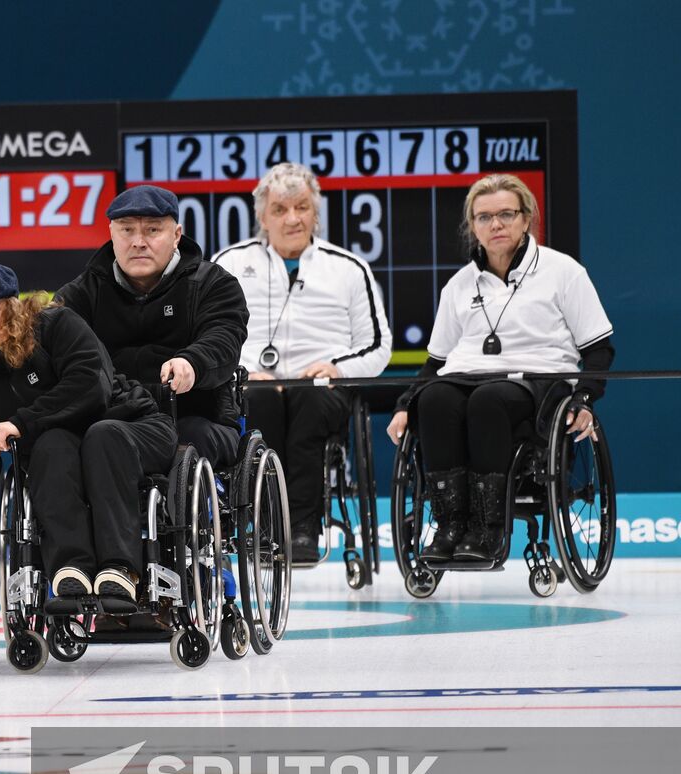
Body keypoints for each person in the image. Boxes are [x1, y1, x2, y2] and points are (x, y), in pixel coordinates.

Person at [386, 173, 614, 561]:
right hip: (465, 377)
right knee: (436, 398)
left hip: (535, 383)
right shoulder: (459, 285)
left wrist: (585, 398)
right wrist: (406, 404)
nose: (496, 225)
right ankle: (449, 525)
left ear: (527, 219)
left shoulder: (563, 272)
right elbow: (436, 362)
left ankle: (488, 529)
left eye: (506, 214)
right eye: (484, 217)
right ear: (472, 226)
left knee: (489, 399)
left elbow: (598, 350)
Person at [0, 263, 176, 607]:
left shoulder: (55, 325)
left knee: (101, 436)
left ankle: (121, 569)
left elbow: (91, 384)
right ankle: (70, 568)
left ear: (13, 308)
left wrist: (21, 422)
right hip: (61, 457)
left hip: (132, 426)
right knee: (50, 445)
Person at [213, 162, 390, 563]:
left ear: (315, 212)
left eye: (302, 208)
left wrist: (337, 366)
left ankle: (304, 528)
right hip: (250, 388)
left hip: (323, 390)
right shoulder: (230, 263)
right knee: (261, 399)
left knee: (309, 399)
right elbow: (208, 336)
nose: (292, 219)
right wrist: (244, 371)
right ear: (262, 216)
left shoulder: (349, 268)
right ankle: (265, 525)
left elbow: (378, 346)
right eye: (280, 209)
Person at [53, 185, 248, 469]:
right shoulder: (80, 295)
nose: (138, 242)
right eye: (127, 230)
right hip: (111, 418)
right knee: (65, 443)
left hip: (196, 415)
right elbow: (54, 350)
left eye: (153, 231)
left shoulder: (214, 284)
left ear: (176, 235)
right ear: (111, 233)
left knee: (191, 440)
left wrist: (192, 362)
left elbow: (224, 337)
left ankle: (185, 511)